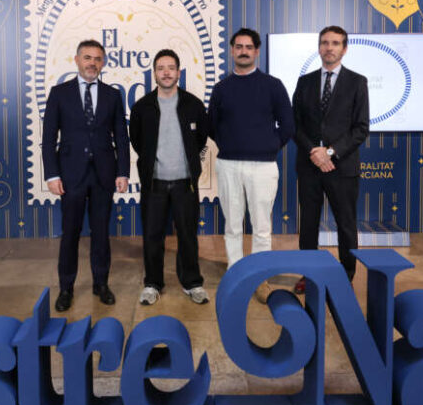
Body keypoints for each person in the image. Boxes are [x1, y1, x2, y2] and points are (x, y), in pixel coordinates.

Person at [42, 39, 130, 312]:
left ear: (103, 63)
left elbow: (121, 137)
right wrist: (52, 175)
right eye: (87, 57)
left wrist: (123, 172)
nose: (93, 63)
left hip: (104, 174)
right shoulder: (59, 93)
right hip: (71, 175)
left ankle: (101, 284)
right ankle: (66, 288)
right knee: (70, 233)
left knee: (101, 233)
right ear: (77, 60)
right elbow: (48, 138)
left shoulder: (113, 95)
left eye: (98, 59)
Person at [208, 27, 294, 303]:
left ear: (257, 51)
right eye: (238, 47)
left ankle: (260, 278)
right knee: (232, 225)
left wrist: (268, 146)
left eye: (248, 47)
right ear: (232, 51)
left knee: (261, 227)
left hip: (263, 167)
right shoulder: (221, 88)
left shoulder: (273, 85)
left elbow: (288, 125)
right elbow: (212, 126)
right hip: (228, 165)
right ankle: (235, 273)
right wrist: (230, 144)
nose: (243, 51)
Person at [129, 49, 210, 306]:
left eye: (171, 68)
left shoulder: (193, 104)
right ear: (154, 73)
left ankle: (192, 282)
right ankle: (152, 283)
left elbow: (200, 139)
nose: (166, 73)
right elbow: (137, 141)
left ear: (178, 72)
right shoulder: (142, 107)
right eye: (161, 68)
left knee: (188, 236)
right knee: (152, 236)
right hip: (154, 183)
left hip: (185, 183)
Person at [292, 25, 369, 293]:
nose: (329, 48)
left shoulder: (357, 82)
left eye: (335, 43)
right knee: (308, 224)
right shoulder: (305, 82)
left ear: (344, 49)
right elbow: (295, 124)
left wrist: (330, 152)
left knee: (346, 224)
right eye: (325, 42)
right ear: (319, 47)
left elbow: (361, 128)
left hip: (342, 167)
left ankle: (346, 275)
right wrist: (315, 152)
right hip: (309, 165)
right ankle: (308, 273)